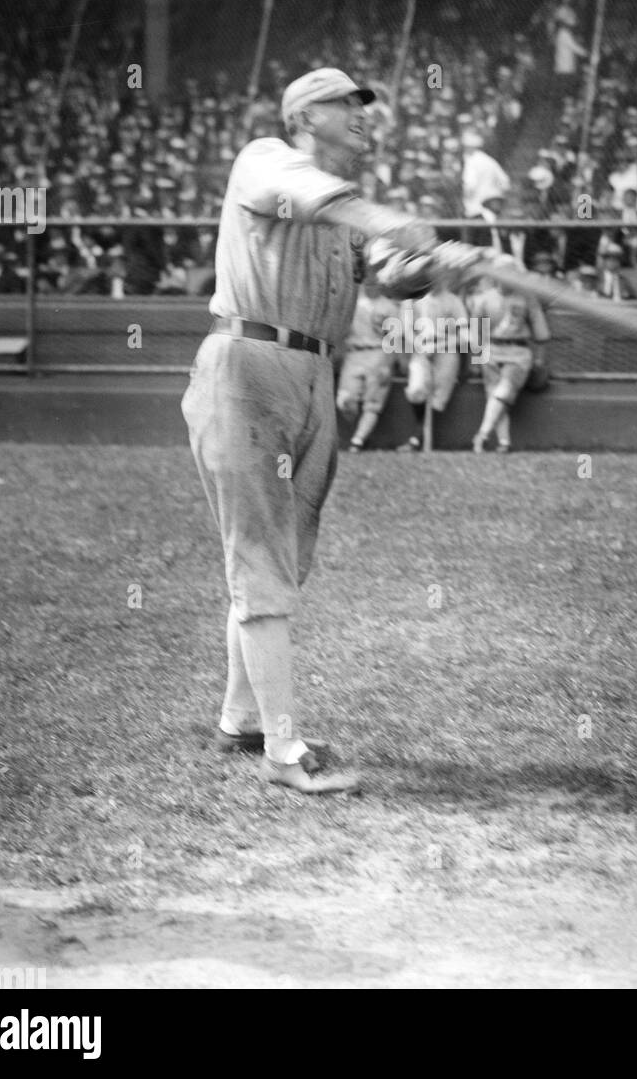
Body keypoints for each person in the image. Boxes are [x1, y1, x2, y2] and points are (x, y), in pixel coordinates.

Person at [181, 68, 436, 796]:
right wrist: (393, 224)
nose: (362, 116)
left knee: (284, 560)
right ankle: (283, 751)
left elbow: (393, 273)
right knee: (260, 560)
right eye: (345, 104)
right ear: (303, 115)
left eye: (364, 107)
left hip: (314, 375)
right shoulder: (265, 159)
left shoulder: (343, 215)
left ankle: (241, 720)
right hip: (247, 363)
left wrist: (433, 261)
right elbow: (325, 202)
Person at [466, 258, 551, 453]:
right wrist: (477, 360)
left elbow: (541, 333)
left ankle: (482, 434)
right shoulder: (484, 299)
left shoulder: (527, 298)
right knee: (495, 396)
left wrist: (539, 359)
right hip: (491, 349)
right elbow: (476, 333)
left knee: (502, 392)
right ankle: (504, 443)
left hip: (518, 352)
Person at [397, 284, 472, 453]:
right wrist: (420, 346)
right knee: (416, 389)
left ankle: (418, 438)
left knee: (439, 396)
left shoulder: (453, 301)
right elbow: (407, 329)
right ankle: (419, 435)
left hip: (447, 349)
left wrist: (440, 346)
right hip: (420, 349)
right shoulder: (411, 299)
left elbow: (465, 337)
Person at [336, 279, 401, 452]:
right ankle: (357, 428)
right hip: (354, 353)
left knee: (372, 402)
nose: (371, 283)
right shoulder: (353, 304)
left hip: (378, 352)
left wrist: (388, 364)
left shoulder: (389, 307)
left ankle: (358, 440)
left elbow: (393, 340)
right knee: (344, 400)